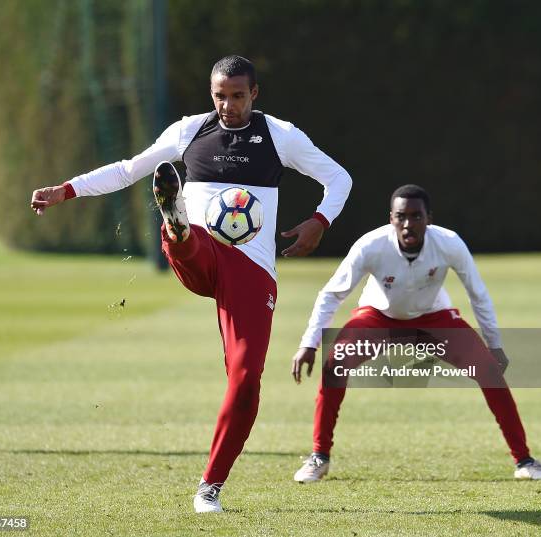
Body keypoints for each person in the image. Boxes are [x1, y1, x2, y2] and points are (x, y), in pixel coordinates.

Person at [31, 55, 352, 512]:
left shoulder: (280, 136)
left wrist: (320, 221)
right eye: (220, 95)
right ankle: (176, 226)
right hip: (202, 256)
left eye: (237, 96)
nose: (228, 105)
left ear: (254, 94)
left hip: (251, 270)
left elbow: (339, 178)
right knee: (189, 241)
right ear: (211, 93)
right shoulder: (189, 131)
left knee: (245, 382)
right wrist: (66, 190)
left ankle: (209, 488)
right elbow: (127, 170)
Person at [291, 184, 541, 483]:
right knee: (335, 366)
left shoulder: (448, 243)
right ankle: (319, 456)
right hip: (380, 317)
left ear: (429, 218)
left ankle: (525, 460)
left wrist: (494, 347)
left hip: (434, 319)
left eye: (416, 216)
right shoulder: (371, 245)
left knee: (490, 372)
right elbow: (331, 295)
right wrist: (309, 343)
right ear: (391, 218)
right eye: (401, 216)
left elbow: (478, 294)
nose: (408, 224)